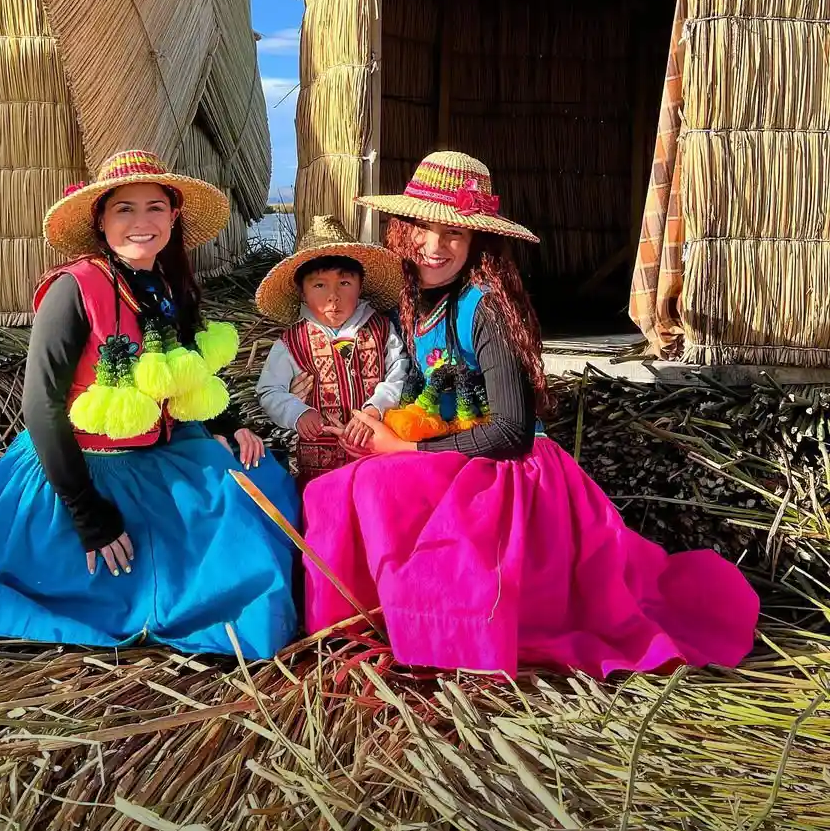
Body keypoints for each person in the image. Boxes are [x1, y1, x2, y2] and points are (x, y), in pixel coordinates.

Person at [302, 151, 759, 678]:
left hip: (509, 474)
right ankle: (361, 621)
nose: (434, 246)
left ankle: (428, 623)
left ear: (477, 241)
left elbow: (512, 432)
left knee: (372, 487)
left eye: (454, 234)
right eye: (424, 228)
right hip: (456, 455)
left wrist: (402, 449)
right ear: (402, 230)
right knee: (332, 491)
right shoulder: (415, 304)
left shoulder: (486, 307)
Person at [0, 150, 298, 659]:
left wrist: (228, 422)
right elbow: (40, 406)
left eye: (155, 208)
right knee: (131, 581)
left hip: (159, 449)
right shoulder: (73, 290)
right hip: (86, 466)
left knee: (254, 488)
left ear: (174, 215)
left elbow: (186, 367)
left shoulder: (167, 285)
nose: (141, 223)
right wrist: (88, 513)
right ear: (100, 219)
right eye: (125, 209)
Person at [254, 215, 407, 483]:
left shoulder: (380, 329)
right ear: (302, 292)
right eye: (319, 285)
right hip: (319, 470)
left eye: (344, 283)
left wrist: (376, 408)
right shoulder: (293, 341)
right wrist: (297, 412)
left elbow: (399, 370)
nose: (332, 296)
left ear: (360, 286)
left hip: (376, 456)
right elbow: (269, 390)